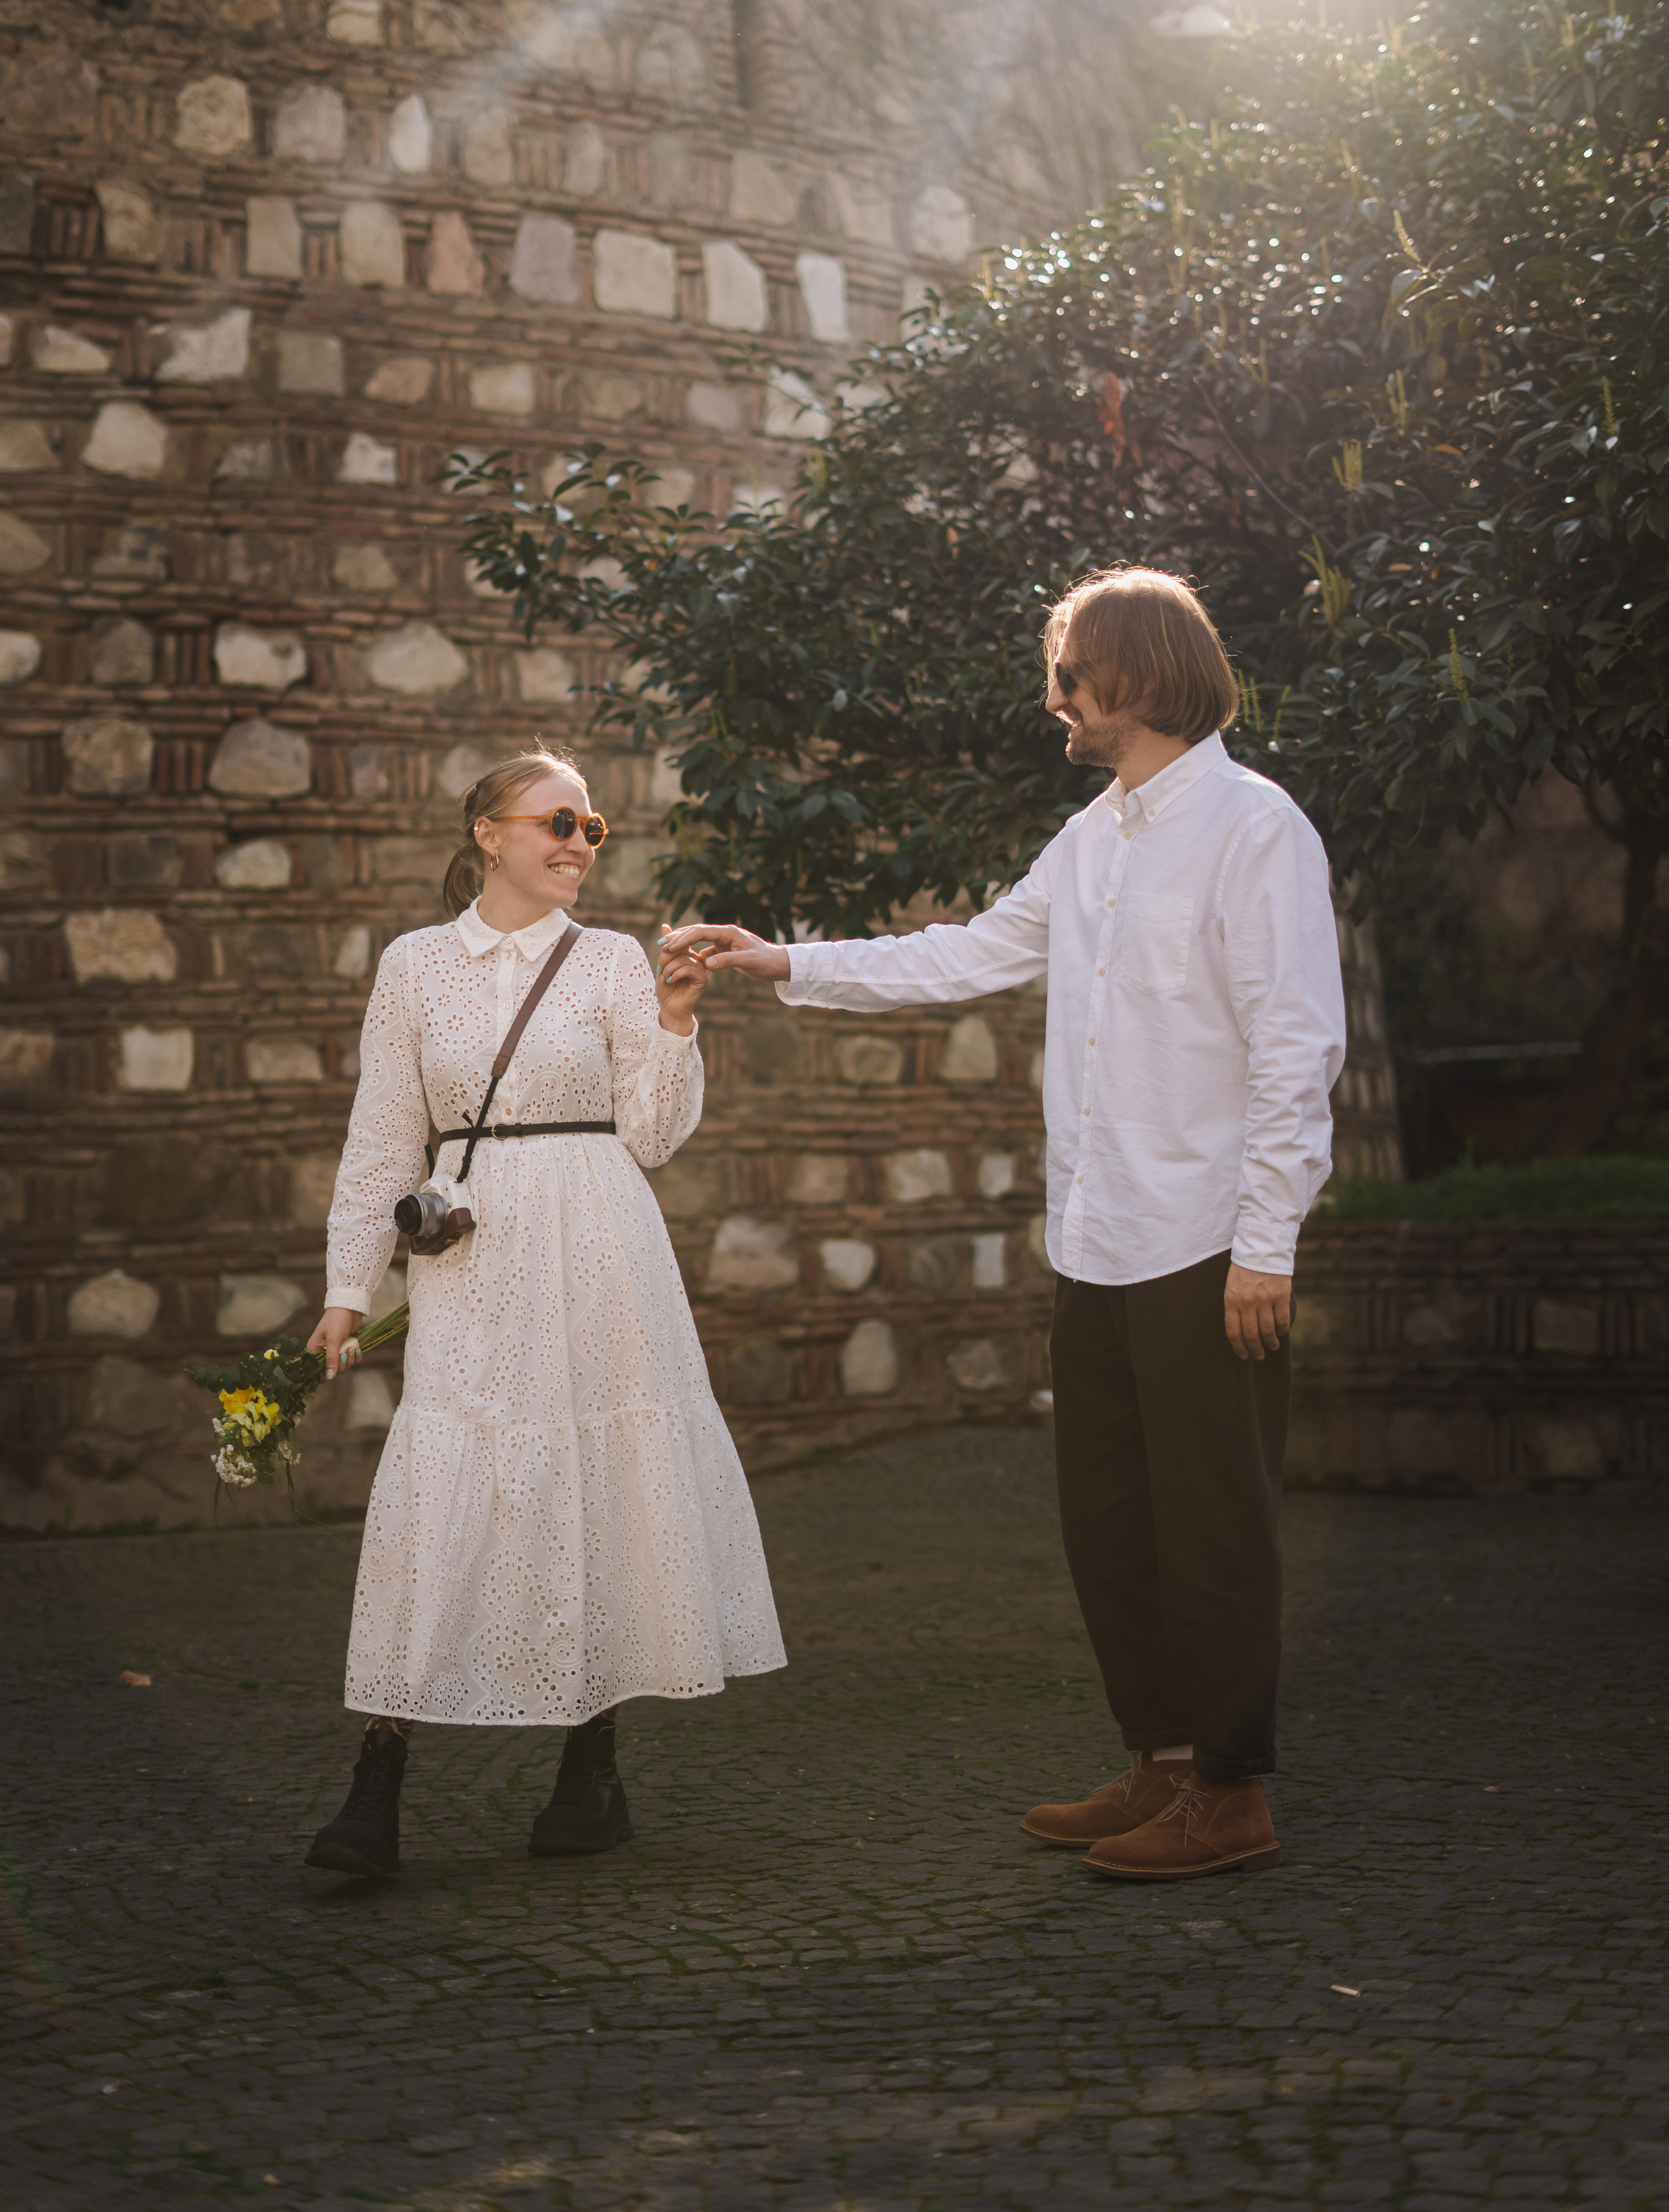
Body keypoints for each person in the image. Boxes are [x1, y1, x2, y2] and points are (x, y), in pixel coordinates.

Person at [662, 568, 1346, 1881]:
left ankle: (1232, 1789)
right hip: (1092, 1241)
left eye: (1068, 675)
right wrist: (782, 961)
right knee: (1108, 1518)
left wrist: (1268, 1238)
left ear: (1135, 677)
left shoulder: (1254, 830)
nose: (1055, 701)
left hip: (1206, 1239)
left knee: (1210, 1523)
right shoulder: (1092, 838)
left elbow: (1294, 1045)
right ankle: (1159, 1761)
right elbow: (962, 953)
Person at [303, 745, 785, 1878]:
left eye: (591, 829)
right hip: (471, 1249)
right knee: (444, 1483)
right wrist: (346, 1288)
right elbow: (383, 1137)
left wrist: (672, 1020)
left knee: (601, 1482)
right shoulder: (416, 966)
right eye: (556, 824)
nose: (577, 844)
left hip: (604, 1242)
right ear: (490, 834)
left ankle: (591, 1769)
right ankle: (378, 1782)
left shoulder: (615, 959)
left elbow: (652, 1137)